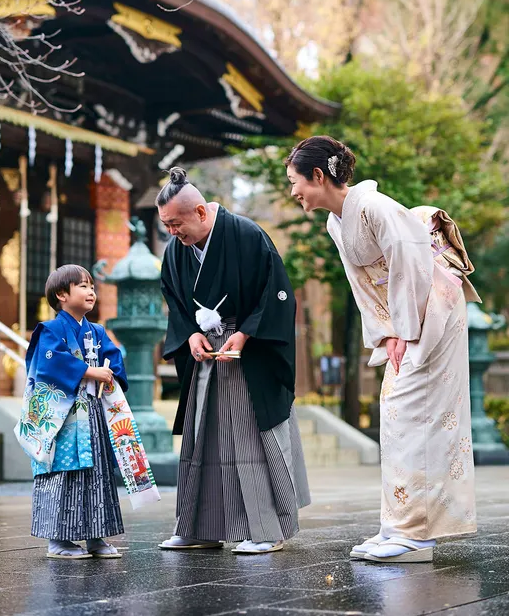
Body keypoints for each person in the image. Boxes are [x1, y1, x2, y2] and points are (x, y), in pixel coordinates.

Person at [286, 136, 478, 564]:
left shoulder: (375, 207)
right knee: (395, 413)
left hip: (435, 311)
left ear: (318, 176)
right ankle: (398, 525)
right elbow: (362, 286)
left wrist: (408, 332)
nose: (293, 191)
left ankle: (418, 535)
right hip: (408, 319)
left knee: (416, 415)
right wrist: (387, 333)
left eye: (295, 181)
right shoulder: (337, 221)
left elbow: (412, 265)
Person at [157, 166, 310, 555]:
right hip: (207, 358)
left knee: (248, 440)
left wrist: (244, 334)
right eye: (167, 226)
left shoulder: (246, 235)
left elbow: (277, 294)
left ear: (201, 213)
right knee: (201, 440)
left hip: (248, 354)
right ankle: (199, 527)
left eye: (176, 223)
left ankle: (266, 528)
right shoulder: (176, 252)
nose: (172, 232)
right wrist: (189, 333)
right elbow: (176, 304)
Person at [15, 264, 127, 560]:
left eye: (92, 286)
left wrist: (109, 372)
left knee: (98, 473)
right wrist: (91, 371)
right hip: (62, 419)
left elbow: (114, 362)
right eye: (83, 286)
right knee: (63, 472)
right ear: (62, 295)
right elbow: (49, 366)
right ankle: (58, 540)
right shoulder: (49, 331)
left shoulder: (97, 331)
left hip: (92, 413)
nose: (91, 291)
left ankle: (96, 536)